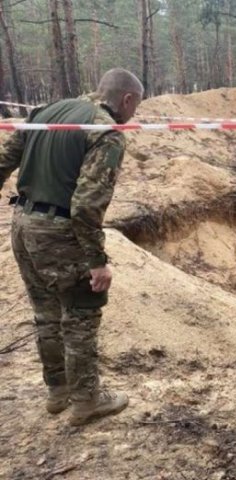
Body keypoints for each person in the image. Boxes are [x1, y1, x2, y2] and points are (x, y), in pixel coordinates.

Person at [0, 68, 144, 426]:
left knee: (46, 313)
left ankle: (58, 390)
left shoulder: (45, 112)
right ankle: (86, 400)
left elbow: (2, 162)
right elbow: (86, 204)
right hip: (61, 234)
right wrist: (97, 260)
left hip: (22, 224)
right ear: (126, 100)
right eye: (135, 107)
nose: (134, 115)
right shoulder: (106, 132)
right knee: (80, 315)